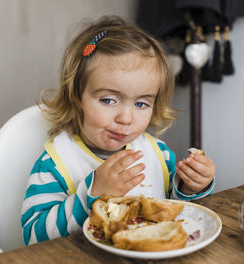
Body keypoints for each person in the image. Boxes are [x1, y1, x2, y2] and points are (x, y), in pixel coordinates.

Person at [21, 15, 215, 245]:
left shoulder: (158, 154)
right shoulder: (55, 164)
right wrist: (92, 195)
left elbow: (175, 208)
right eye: (108, 100)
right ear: (76, 98)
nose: (125, 118)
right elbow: (33, 237)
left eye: (141, 104)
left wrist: (190, 187)